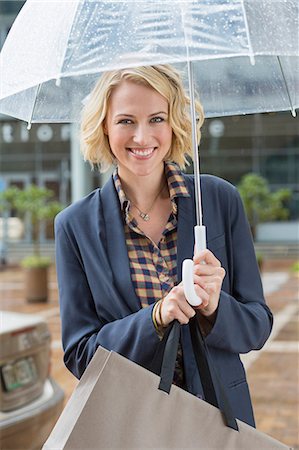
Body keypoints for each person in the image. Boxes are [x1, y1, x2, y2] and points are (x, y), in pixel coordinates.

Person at [55, 64, 273, 427]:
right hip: (131, 426)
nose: (142, 137)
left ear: (175, 123)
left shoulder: (218, 201)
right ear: (104, 126)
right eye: (126, 121)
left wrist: (216, 306)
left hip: (219, 421)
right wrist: (155, 317)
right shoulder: (74, 226)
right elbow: (81, 355)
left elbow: (257, 326)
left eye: (157, 118)